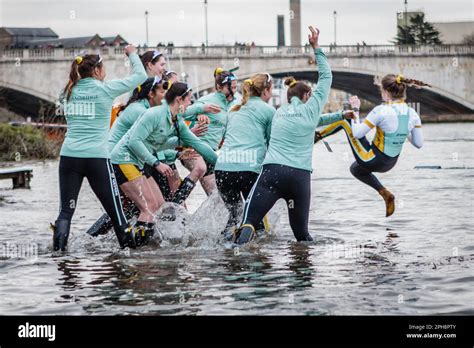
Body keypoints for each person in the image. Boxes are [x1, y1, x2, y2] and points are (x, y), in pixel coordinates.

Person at [233, 26, 354, 245]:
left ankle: (235, 266)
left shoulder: (279, 113)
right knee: (302, 237)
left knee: (248, 223)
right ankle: (303, 274)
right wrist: (316, 47)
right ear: (308, 95)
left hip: (272, 173)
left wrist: (339, 115)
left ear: (289, 96)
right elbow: (326, 76)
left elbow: (311, 121)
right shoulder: (311, 110)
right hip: (299, 178)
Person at [52, 44, 147, 252]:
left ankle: (58, 257)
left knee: (65, 213)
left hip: (69, 157)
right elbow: (140, 76)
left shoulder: (67, 92)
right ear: (96, 71)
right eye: (103, 69)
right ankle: (129, 263)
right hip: (97, 158)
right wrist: (132, 54)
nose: (105, 73)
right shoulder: (105, 89)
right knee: (116, 213)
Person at [110, 81, 218, 246]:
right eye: (189, 100)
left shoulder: (176, 122)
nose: (190, 105)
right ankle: (132, 250)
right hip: (123, 159)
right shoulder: (154, 114)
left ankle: (141, 245)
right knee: (149, 207)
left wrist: (222, 164)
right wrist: (156, 163)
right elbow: (134, 142)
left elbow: (199, 145)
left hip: (138, 163)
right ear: (179, 100)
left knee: (159, 206)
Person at [314, 74, 426, 216]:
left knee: (346, 120)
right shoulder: (412, 113)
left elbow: (358, 134)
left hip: (373, 159)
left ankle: (316, 137)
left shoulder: (380, 110)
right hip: (390, 163)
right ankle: (385, 193)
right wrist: (404, 130)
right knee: (356, 169)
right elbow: (418, 144)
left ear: (385, 92)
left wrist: (355, 109)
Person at [214, 73, 275, 235]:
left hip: (222, 170)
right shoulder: (269, 110)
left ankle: (224, 248)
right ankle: (257, 255)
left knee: (235, 217)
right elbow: (271, 145)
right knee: (255, 220)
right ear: (266, 90)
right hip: (247, 170)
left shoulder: (234, 109)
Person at [181, 68, 238, 196]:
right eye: (231, 88)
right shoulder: (208, 100)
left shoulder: (233, 103)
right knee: (200, 170)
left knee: (216, 197)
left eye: (235, 88)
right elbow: (181, 113)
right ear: (219, 87)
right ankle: (175, 203)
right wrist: (199, 112)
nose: (234, 91)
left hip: (211, 153)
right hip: (195, 150)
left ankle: (180, 211)